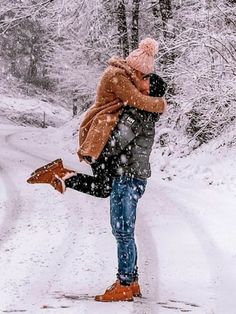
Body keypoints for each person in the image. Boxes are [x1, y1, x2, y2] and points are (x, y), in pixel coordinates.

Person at [27, 38, 167, 302]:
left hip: (127, 177)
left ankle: (125, 282)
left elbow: (117, 141)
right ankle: (132, 280)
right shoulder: (132, 98)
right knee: (119, 218)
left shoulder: (139, 114)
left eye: (147, 80)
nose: (143, 81)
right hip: (130, 176)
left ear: (150, 91)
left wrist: (100, 151)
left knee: (122, 230)